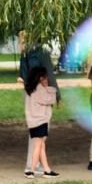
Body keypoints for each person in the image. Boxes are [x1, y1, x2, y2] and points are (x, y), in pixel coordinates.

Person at [18, 32, 60, 173]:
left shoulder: (24, 54)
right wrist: (56, 94)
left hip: (29, 93)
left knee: (35, 131)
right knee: (40, 133)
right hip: (41, 94)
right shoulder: (41, 52)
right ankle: (32, 165)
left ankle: (37, 164)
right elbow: (49, 75)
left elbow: (22, 76)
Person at [23, 66, 59, 178]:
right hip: (41, 121)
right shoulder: (40, 89)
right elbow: (50, 99)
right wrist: (51, 89)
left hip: (33, 122)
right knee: (38, 145)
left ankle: (47, 170)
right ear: (40, 78)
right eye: (45, 78)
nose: (46, 80)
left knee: (41, 145)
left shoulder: (29, 89)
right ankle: (31, 171)